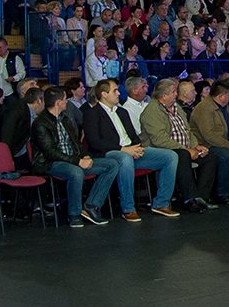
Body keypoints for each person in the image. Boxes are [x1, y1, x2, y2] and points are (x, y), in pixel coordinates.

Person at [80, 78, 178, 220]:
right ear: (104, 94)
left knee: (170, 156)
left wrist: (137, 148)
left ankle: (161, 204)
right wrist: (123, 149)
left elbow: (133, 136)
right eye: (115, 91)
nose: (119, 93)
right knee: (125, 158)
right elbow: (95, 142)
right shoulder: (92, 113)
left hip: (131, 151)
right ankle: (128, 208)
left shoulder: (122, 112)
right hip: (109, 153)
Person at [31, 86, 116, 227]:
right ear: (58, 102)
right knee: (76, 172)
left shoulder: (65, 119)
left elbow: (76, 143)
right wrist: (78, 161)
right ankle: (74, 214)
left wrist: (85, 156)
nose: (67, 102)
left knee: (112, 165)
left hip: (73, 159)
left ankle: (91, 206)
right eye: (65, 99)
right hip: (50, 163)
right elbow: (50, 152)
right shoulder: (40, 123)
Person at [139, 77, 215, 211]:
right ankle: (189, 199)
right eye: (173, 92)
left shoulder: (177, 107)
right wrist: (187, 149)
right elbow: (160, 140)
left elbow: (188, 130)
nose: (176, 94)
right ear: (164, 96)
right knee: (182, 156)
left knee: (210, 158)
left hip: (185, 148)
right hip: (162, 149)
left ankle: (202, 198)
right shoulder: (152, 111)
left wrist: (195, 146)